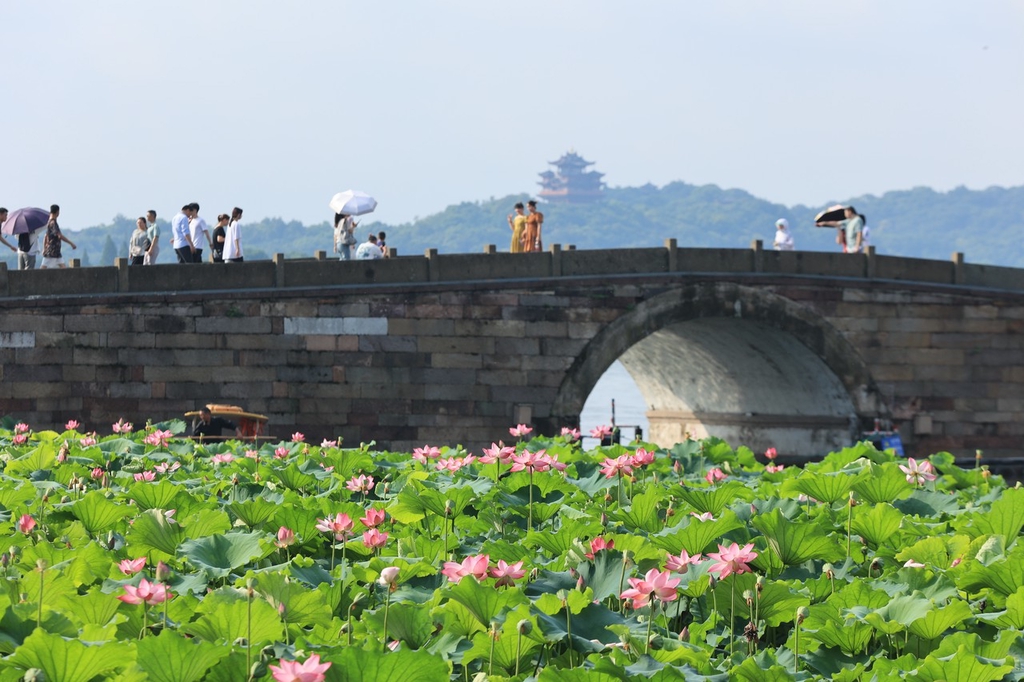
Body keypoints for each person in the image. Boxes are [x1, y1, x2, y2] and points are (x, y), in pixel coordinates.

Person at [40, 204, 77, 269]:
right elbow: (59, 236)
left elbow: (45, 236)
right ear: (57, 212)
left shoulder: (49, 222)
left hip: (56, 252)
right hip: (51, 252)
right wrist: (71, 243)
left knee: (63, 268)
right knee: (43, 268)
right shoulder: (53, 223)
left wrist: (44, 248)